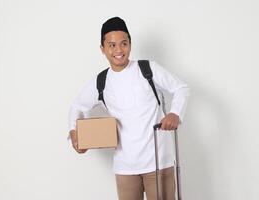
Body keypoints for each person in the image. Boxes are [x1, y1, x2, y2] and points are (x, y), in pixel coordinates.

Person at [68, 17, 190, 200]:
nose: (118, 50)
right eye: (112, 45)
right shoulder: (101, 81)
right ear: (102, 49)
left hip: (158, 161)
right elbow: (77, 105)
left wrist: (175, 113)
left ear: (130, 44)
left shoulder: (147, 69)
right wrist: (74, 132)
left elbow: (181, 88)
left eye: (124, 43)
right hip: (125, 167)